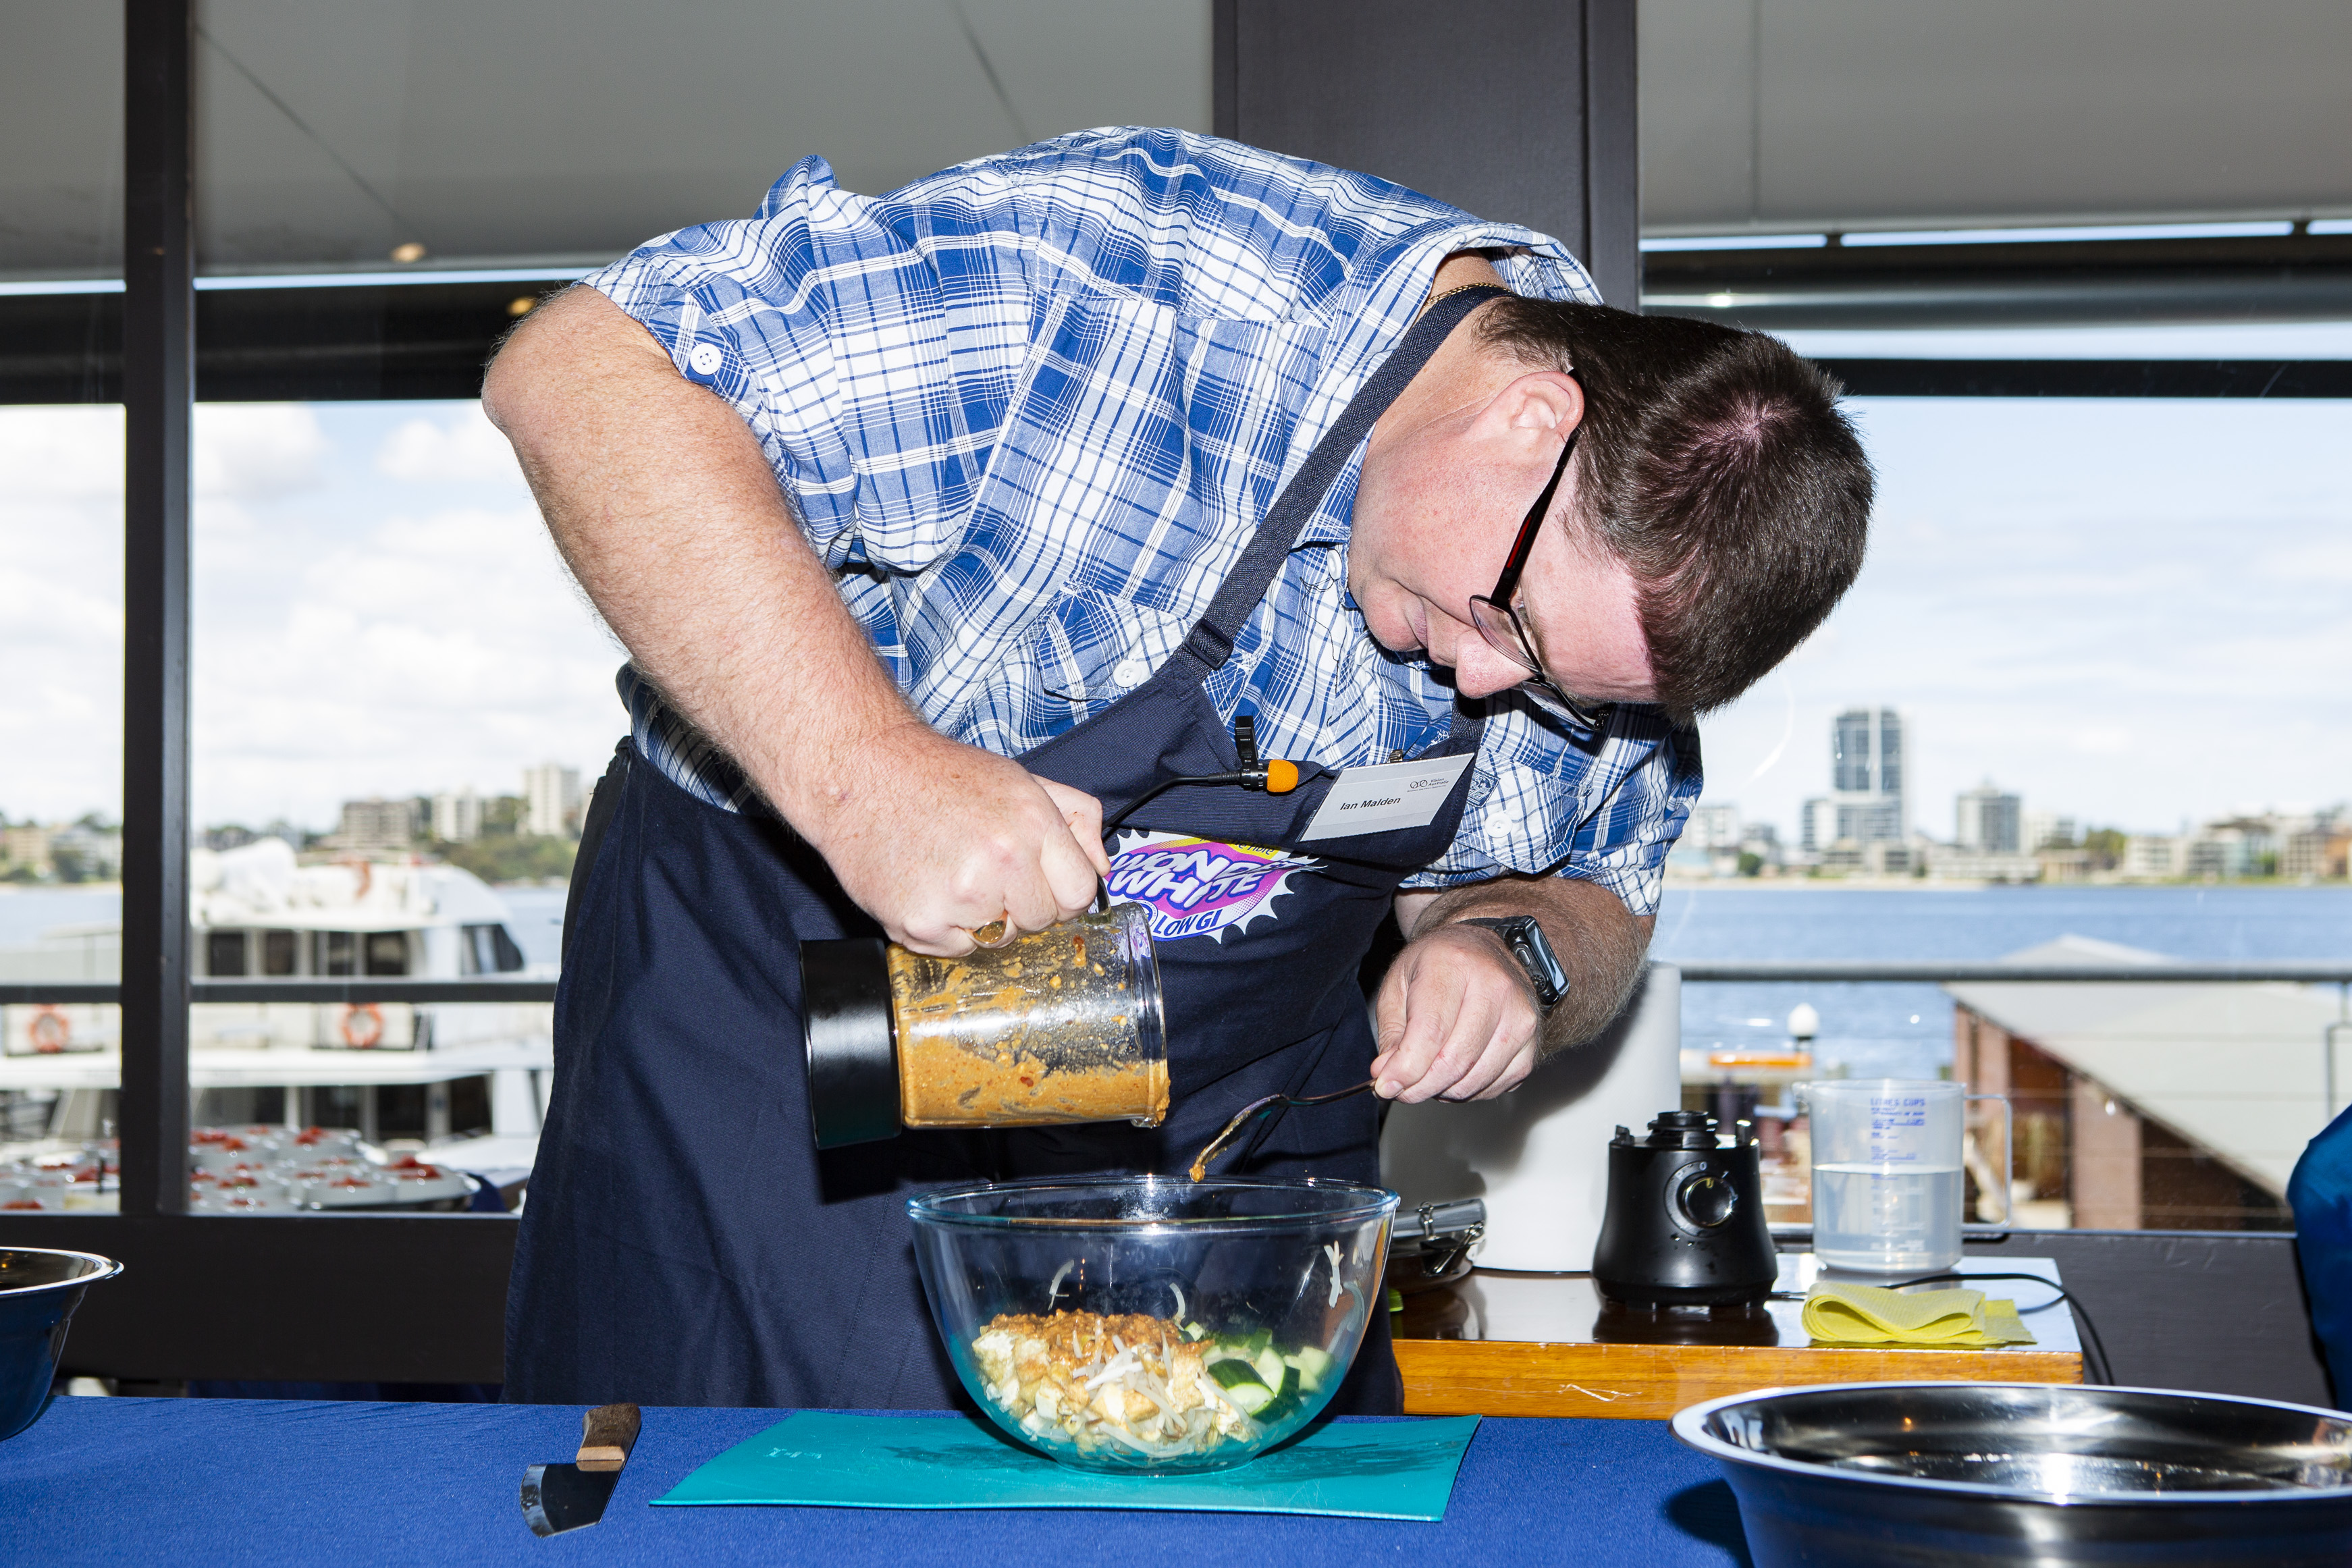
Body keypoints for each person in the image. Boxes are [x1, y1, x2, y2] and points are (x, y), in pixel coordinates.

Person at [486, 127, 1872, 1411]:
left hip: (1224, 1150)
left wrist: (1517, 954)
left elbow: (1596, 886)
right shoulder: (1130, 276)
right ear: (1529, 417)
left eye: (1557, 688)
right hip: (784, 1038)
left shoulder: (1582, 607)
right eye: (1501, 621)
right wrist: (872, 774)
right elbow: (587, 371)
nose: (1489, 684)